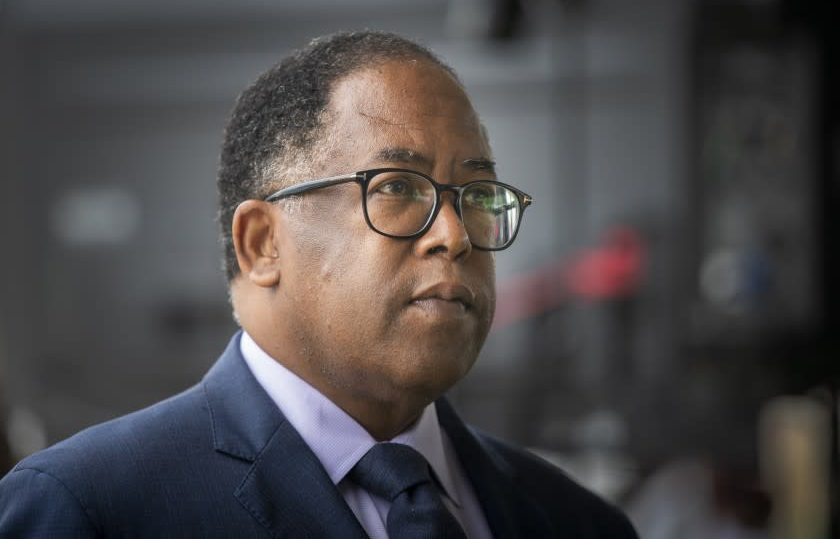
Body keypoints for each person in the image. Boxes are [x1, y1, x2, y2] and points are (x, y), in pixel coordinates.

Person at [0, 31, 637, 538]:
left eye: (475, 194)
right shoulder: (87, 510)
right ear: (261, 244)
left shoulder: (576, 521)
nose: (455, 234)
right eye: (396, 188)